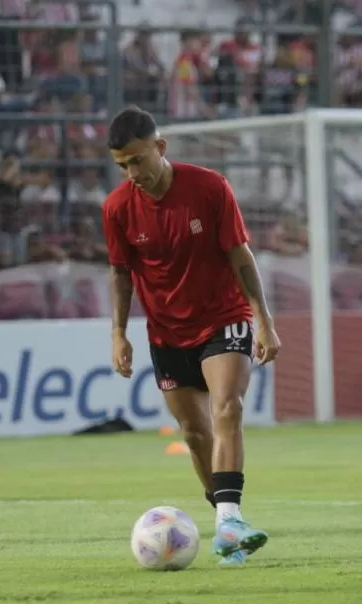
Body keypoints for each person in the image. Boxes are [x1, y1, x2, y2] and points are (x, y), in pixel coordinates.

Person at [102, 106, 281, 566]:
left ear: (160, 148)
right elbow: (121, 274)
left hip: (223, 316)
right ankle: (227, 523)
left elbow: (241, 256)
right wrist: (119, 333)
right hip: (165, 331)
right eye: (122, 165)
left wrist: (263, 318)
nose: (132, 173)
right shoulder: (118, 208)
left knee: (227, 407)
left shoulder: (208, 188)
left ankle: (228, 520)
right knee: (195, 433)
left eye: (138, 160)